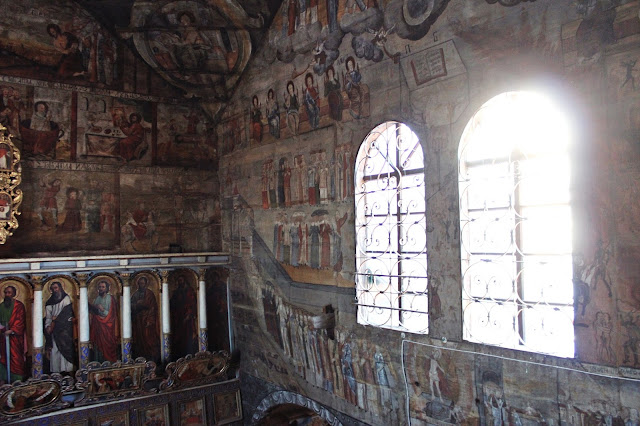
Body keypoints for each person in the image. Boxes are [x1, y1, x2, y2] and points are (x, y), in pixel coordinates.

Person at [44, 281, 75, 373]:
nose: (55, 290)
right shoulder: (49, 302)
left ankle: (67, 370)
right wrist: (48, 326)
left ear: (60, 288)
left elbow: (68, 313)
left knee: (66, 348)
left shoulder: (66, 299)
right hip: (55, 329)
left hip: (65, 329)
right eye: (53, 289)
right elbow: (48, 317)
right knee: (55, 349)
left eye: (56, 288)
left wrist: (56, 319)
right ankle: (56, 371)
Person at [0, 286, 26, 383]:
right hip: (3, 337)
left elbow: (20, 321)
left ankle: (17, 379)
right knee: (4, 356)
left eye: (9, 292)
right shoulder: (1, 306)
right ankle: (4, 378)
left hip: (15, 338)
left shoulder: (19, 306)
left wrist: (12, 330)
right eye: (6, 292)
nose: (7, 294)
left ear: (14, 294)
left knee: (16, 357)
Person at [131, 276, 160, 362]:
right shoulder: (135, 294)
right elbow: (131, 305)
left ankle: (153, 357)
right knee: (140, 339)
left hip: (148, 319)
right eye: (140, 284)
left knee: (149, 338)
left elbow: (152, 307)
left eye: (143, 283)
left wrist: (150, 319)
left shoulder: (149, 293)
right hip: (138, 320)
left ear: (146, 284)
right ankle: (140, 358)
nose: (141, 285)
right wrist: (137, 304)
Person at [89, 280, 119, 362]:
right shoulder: (97, 298)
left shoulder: (110, 298)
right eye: (99, 287)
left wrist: (102, 309)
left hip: (108, 327)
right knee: (98, 345)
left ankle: (109, 362)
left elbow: (111, 314)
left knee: (108, 344)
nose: (101, 289)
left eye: (103, 287)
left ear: (107, 288)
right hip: (98, 326)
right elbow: (95, 311)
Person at [170, 275, 197, 360]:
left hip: (187, 318)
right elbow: (172, 304)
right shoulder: (176, 292)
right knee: (178, 336)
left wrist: (188, 314)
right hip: (178, 318)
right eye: (178, 281)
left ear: (185, 281)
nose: (180, 282)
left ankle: (190, 352)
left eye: (181, 280)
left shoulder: (189, 291)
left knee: (187, 335)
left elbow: (192, 304)